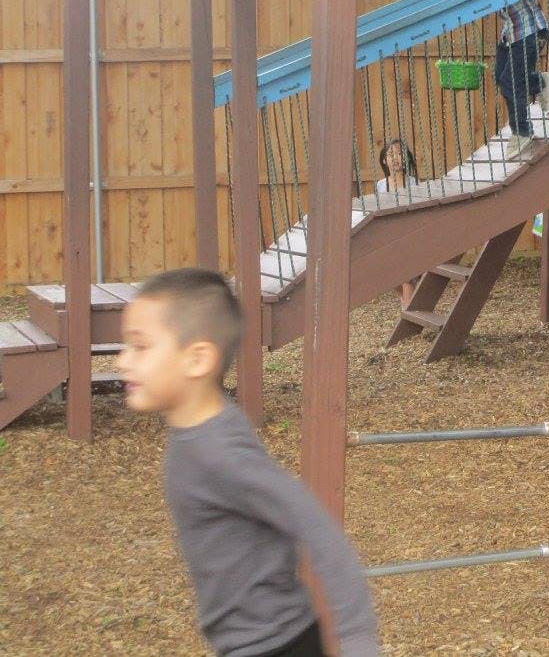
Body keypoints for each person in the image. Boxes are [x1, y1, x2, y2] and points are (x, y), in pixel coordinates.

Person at [117, 268, 380, 657]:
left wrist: (357, 640)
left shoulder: (220, 454)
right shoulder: (203, 428)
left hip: (276, 646)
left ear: (197, 359)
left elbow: (317, 526)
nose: (123, 361)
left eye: (140, 347)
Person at [453, 0, 549, 161]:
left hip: (528, 29)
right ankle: (540, 82)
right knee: (501, 77)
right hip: (512, 32)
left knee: (511, 82)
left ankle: (522, 131)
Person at [377, 138, 423, 307]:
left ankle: (408, 310)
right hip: (389, 236)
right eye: (391, 154)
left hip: (410, 236)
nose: (395, 157)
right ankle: (405, 300)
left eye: (399, 153)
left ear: (407, 158)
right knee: (385, 274)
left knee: (405, 275)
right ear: (384, 160)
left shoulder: (414, 183)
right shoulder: (381, 185)